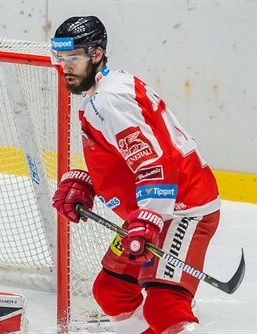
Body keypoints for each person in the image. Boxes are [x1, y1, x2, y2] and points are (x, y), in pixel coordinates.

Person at [50, 16, 221, 333]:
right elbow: (128, 155)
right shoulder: (101, 93)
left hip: (183, 209)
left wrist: (149, 216)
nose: (66, 67)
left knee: (165, 306)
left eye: (73, 58)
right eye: (60, 58)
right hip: (154, 209)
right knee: (112, 292)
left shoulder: (111, 100)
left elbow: (157, 161)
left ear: (97, 53)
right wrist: (90, 182)